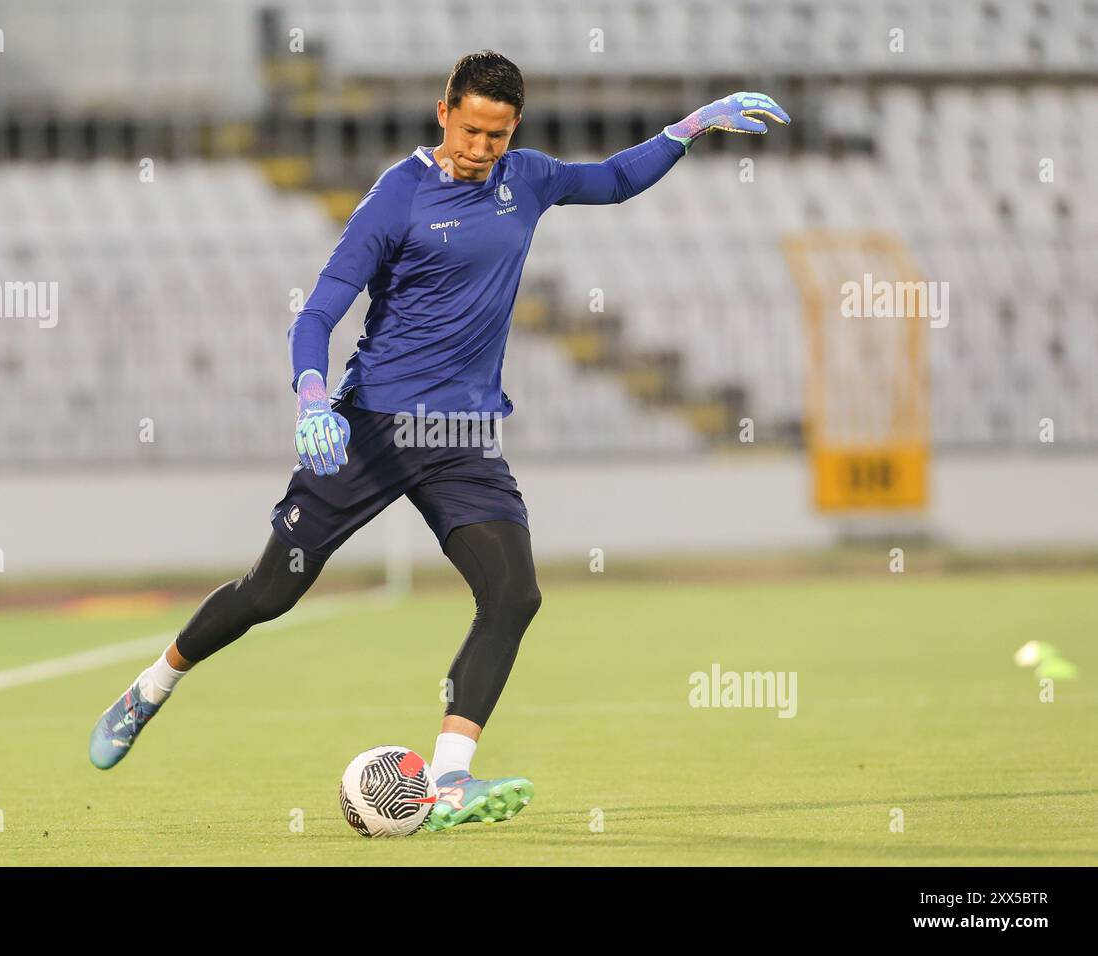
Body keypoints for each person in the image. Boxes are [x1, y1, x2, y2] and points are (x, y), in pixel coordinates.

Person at [89, 50, 789, 832]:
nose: (481, 147)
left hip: (462, 437)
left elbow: (614, 179)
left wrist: (687, 129)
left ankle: (451, 779)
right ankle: (152, 686)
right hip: (370, 429)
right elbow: (317, 313)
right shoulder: (398, 196)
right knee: (270, 592)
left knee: (514, 595)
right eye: (470, 128)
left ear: (513, 127)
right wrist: (313, 398)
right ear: (443, 111)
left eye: (497, 133)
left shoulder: (527, 179)